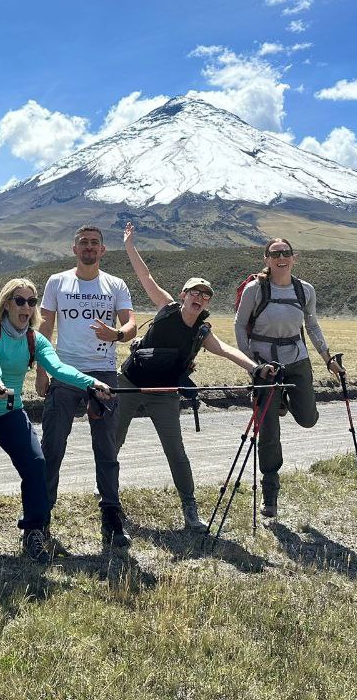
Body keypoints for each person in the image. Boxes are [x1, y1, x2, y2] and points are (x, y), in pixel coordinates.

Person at [0, 278, 116, 562]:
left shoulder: (34, 339)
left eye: (31, 301)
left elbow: (57, 368)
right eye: (19, 300)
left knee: (35, 464)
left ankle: (33, 531)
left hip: (8, 410)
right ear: (6, 304)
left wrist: (91, 382)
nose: (26, 307)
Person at [120, 222, 274, 530]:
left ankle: (190, 509)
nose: (199, 297)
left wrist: (255, 369)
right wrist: (129, 246)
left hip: (164, 393)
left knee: (176, 452)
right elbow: (146, 277)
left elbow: (226, 351)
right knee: (112, 443)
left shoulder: (202, 331)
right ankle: (109, 500)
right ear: (183, 294)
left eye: (206, 295)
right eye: (194, 292)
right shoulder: (166, 308)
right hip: (130, 384)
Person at [35, 225, 136, 548]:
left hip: (103, 372)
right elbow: (45, 327)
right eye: (83, 243)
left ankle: (111, 516)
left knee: (106, 447)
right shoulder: (57, 282)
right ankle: (41, 517)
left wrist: (117, 335)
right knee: (52, 446)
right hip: (64, 371)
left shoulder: (115, 284)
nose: (89, 247)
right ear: (74, 248)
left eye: (95, 243)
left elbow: (130, 323)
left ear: (103, 250)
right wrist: (41, 370)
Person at [233, 236, 340, 519]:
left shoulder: (305, 290)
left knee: (308, 419)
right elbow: (240, 325)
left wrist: (328, 358)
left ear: (294, 257)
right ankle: (270, 495)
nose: (281, 257)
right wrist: (251, 366)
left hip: (296, 359)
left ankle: (282, 400)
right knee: (268, 431)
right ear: (266, 259)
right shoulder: (256, 289)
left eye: (286, 252)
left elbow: (312, 325)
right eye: (275, 253)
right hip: (264, 364)